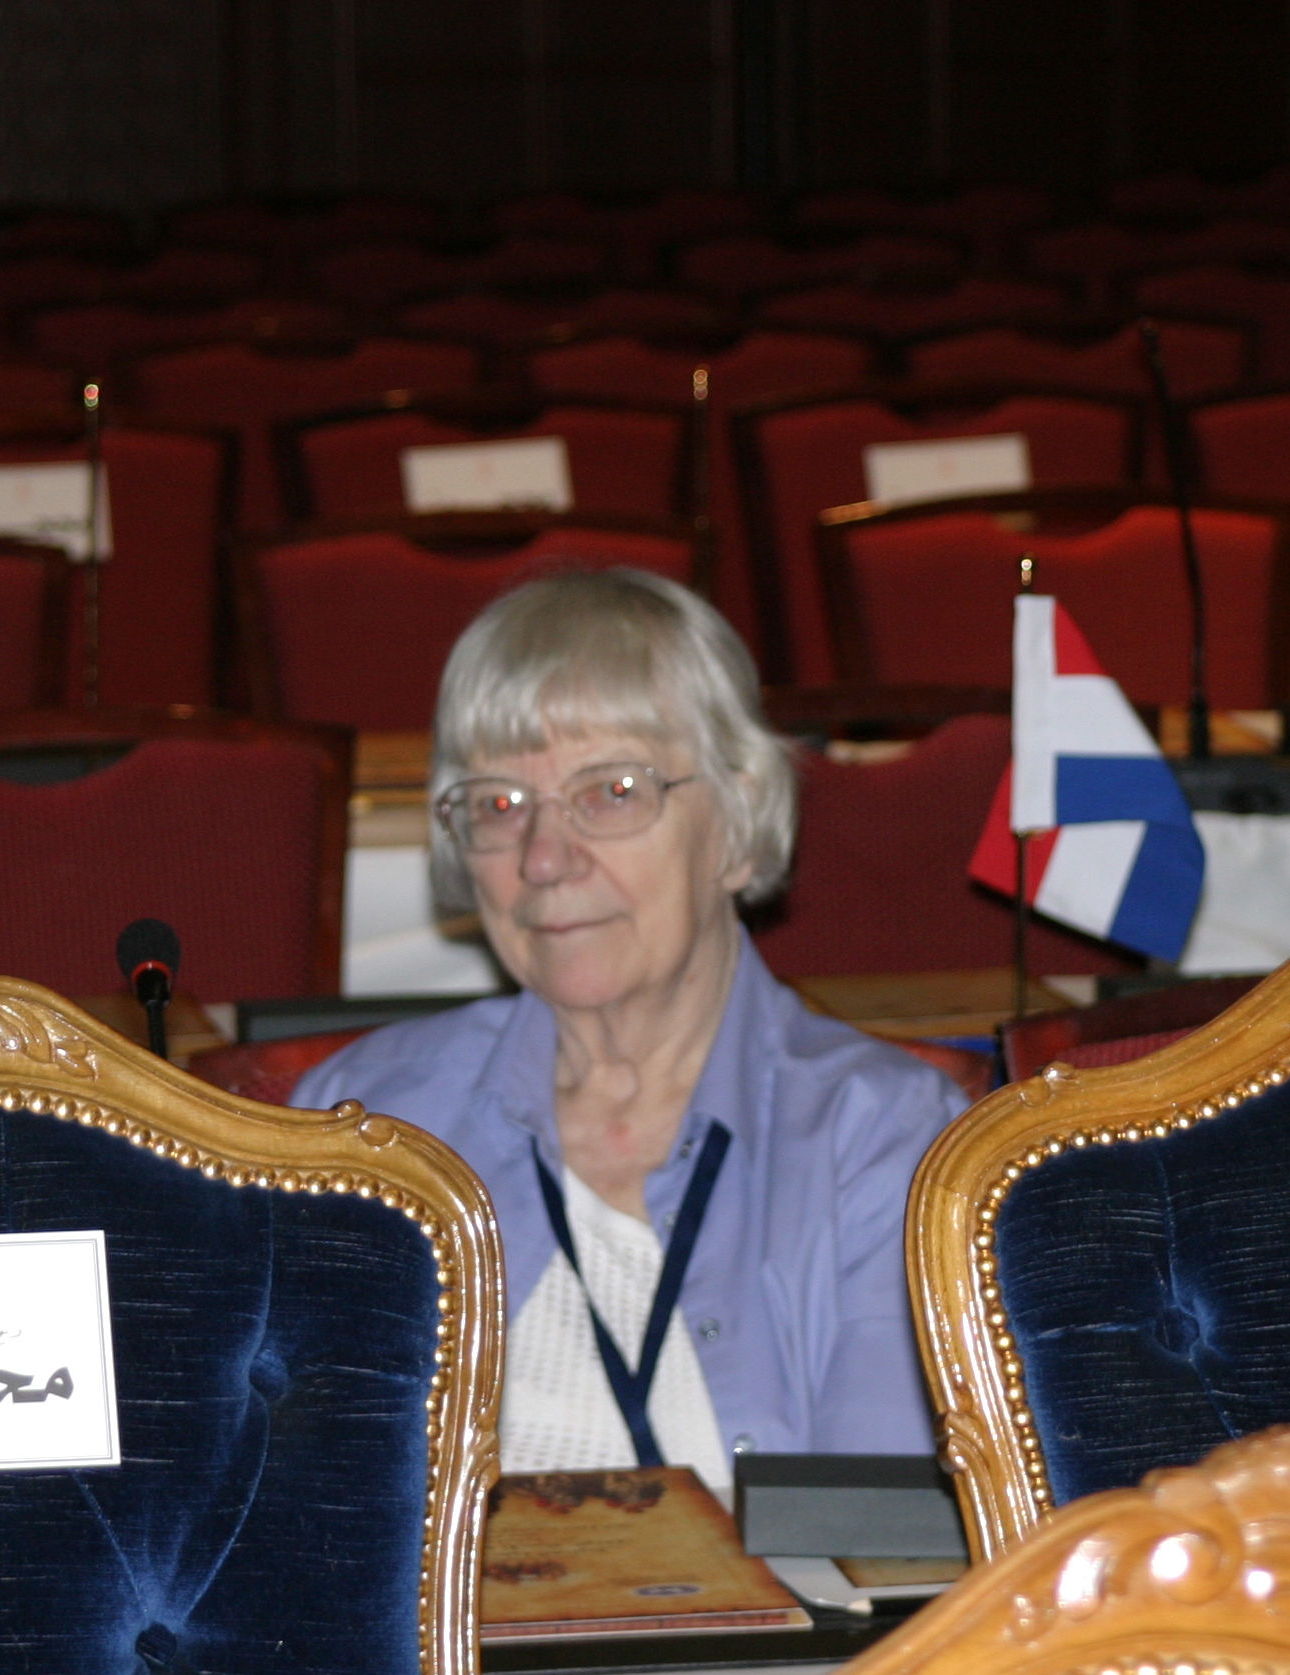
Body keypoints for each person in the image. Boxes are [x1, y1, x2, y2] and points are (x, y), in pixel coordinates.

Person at [293, 568, 966, 1488]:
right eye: (498, 804)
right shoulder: (365, 1124)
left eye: (610, 792)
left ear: (736, 822)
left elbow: (882, 1545)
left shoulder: (884, 1141)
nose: (544, 857)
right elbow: (307, 1502)